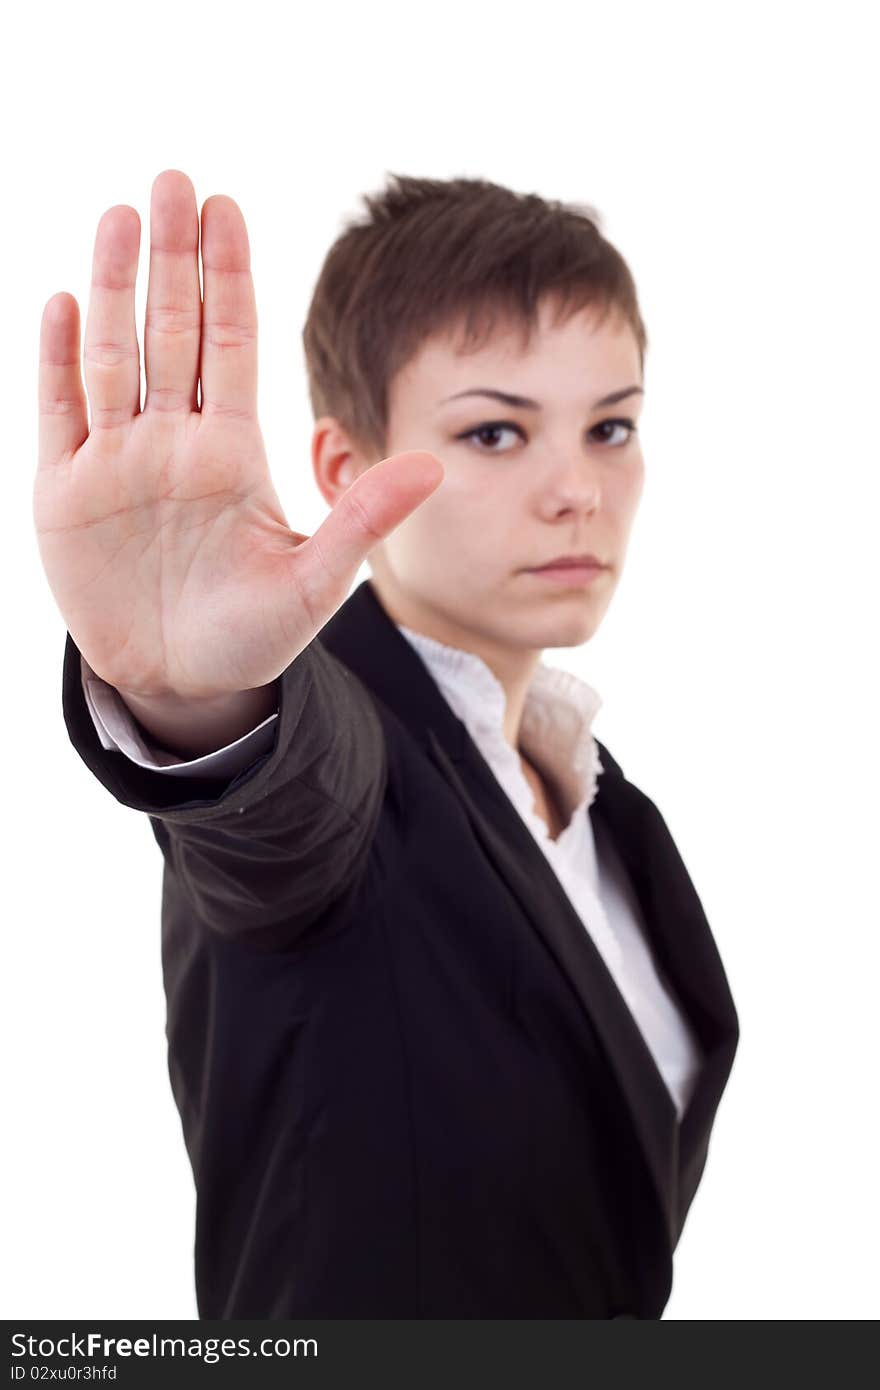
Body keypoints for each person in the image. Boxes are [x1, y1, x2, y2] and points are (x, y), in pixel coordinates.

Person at [35, 168, 739, 1319]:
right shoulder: (345, 750)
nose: (578, 490)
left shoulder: (612, 813)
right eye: (496, 430)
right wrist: (201, 698)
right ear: (345, 471)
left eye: (610, 424)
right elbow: (286, 812)